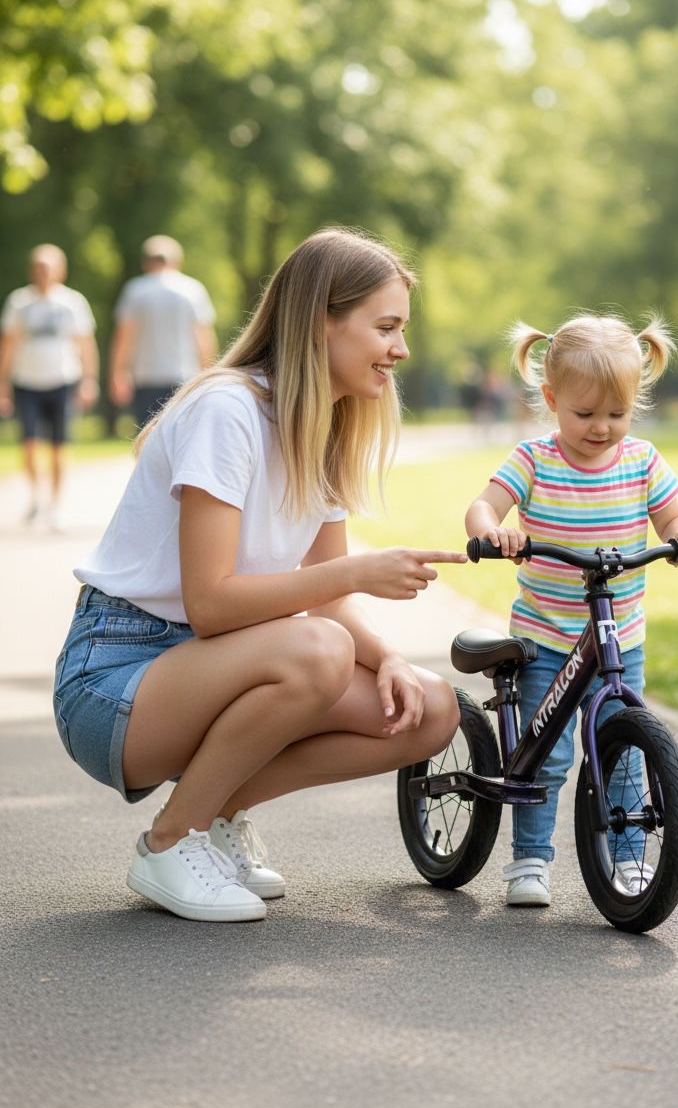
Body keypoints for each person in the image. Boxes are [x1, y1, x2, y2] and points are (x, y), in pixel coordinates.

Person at [54, 227, 466, 923]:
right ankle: (169, 841)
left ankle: (216, 816)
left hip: (206, 669)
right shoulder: (229, 410)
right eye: (386, 327)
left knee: (429, 712)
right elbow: (211, 604)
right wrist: (359, 572)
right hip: (116, 677)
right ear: (321, 324)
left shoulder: (322, 429)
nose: (400, 349)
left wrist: (391, 658)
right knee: (318, 651)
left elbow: (329, 602)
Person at [464, 313, 678, 907]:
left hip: (619, 635)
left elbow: (672, 517)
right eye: (585, 414)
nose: (602, 428)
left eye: (616, 415)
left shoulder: (643, 461)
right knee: (544, 757)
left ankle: (629, 866)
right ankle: (530, 862)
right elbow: (482, 506)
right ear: (551, 400)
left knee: (624, 757)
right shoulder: (535, 459)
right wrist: (494, 531)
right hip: (547, 635)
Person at [0, 244, 100, 530]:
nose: (42, 272)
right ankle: (36, 497)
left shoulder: (72, 303)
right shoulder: (19, 302)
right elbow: (8, 344)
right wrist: (3, 384)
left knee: (59, 446)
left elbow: (86, 344)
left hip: (63, 380)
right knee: (29, 444)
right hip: (26, 382)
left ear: (60, 270)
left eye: (48, 267)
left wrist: (89, 380)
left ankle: (56, 505)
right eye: (38, 267)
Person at [109, 234, 218, 428]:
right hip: (185, 376)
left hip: (145, 376)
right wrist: (209, 374)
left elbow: (124, 338)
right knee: (183, 437)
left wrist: (118, 372)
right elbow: (203, 337)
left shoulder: (135, 291)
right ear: (178, 261)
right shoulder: (192, 290)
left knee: (147, 437)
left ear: (146, 262)